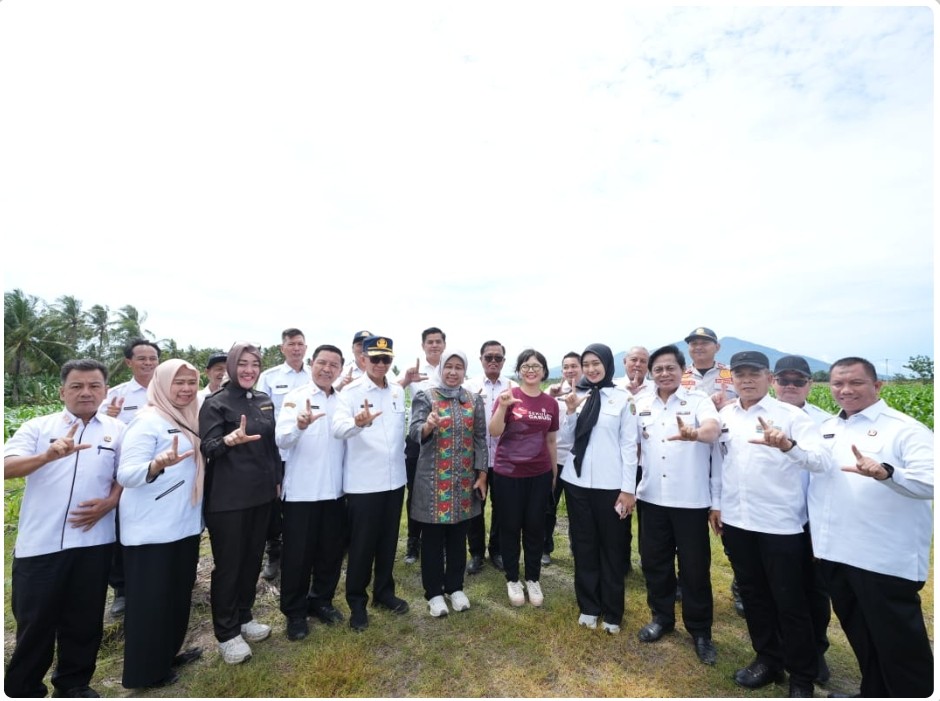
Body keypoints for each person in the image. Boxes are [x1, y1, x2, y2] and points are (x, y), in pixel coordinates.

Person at [808, 357, 933, 698]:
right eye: (837, 384)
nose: (845, 390)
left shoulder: (905, 429)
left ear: (878, 386)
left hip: (882, 558)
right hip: (836, 552)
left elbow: (930, 482)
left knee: (900, 647)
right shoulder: (827, 428)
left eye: (856, 383)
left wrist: (888, 473)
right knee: (861, 636)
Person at [711, 351, 832, 697]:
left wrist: (787, 445)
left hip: (781, 525)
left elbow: (820, 461)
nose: (746, 380)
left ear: (768, 378)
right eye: (740, 374)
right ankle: (767, 659)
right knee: (753, 595)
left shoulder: (791, 417)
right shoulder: (726, 416)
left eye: (754, 374)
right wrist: (716, 504)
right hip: (736, 520)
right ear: (731, 379)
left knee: (790, 601)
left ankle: (802, 676)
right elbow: (720, 463)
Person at [4, 359, 124, 698]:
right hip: (40, 545)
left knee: (84, 621)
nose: (86, 392)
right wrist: (46, 456)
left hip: (95, 540)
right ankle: (23, 689)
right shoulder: (38, 427)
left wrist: (111, 501)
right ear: (62, 391)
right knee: (35, 624)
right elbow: (7, 467)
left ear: (104, 390)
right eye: (77, 386)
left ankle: (73, 685)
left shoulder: (117, 430)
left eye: (94, 386)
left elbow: (124, 475)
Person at [116, 359, 204, 689]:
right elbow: (126, 474)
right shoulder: (147, 421)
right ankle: (144, 672)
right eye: (177, 382)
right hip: (151, 530)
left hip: (183, 525)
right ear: (162, 384)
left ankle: (168, 653)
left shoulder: (189, 417)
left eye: (191, 382)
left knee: (176, 596)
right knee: (150, 603)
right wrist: (155, 465)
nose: (185, 389)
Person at [634, 344, 719, 664]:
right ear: (650, 373)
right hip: (652, 496)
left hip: (690, 499)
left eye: (670, 368)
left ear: (682, 370)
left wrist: (695, 433)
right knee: (655, 562)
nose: (664, 374)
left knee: (695, 569)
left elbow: (713, 429)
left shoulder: (698, 400)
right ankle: (662, 618)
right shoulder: (641, 402)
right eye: (658, 369)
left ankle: (700, 631)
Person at [199, 342, 281, 665]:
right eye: (243, 364)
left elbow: (272, 447)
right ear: (232, 367)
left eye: (255, 364)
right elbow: (208, 447)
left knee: (251, 561)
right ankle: (227, 632)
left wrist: (277, 479)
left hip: (261, 496)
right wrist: (228, 440)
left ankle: (245, 616)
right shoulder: (215, 404)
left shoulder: (263, 401)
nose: (249, 370)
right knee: (229, 566)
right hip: (228, 500)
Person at [332, 335, 410, 632]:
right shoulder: (350, 393)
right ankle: (356, 602)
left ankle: (383, 592)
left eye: (386, 359)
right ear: (363, 359)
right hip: (365, 483)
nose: (380, 364)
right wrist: (358, 423)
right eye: (375, 358)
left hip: (394, 480)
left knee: (388, 541)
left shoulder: (396, 391)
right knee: (362, 545)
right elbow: (338, 428)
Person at [559, 344, 638, 634]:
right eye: (586, 364)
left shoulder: (622, 399)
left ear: (607, 364)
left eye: (596, 363)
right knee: (584, 544)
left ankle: (613, 611)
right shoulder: (576, 395)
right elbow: (567, 439)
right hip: (577, 483)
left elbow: (630, 447)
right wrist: (569, 412)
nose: (591, 369)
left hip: (611, 486)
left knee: (613, 548)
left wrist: (628, 490)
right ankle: (589, 606)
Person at [274, 344, 348, 641]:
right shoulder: (295, 397)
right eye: (322, 363)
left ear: (340, 369)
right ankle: (294, 612)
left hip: (334, 492)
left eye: (333, 365)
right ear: (311, 364)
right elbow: (281, 439)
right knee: (297, 557)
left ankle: (322, 601)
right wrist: (300, 426)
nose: (327, 369)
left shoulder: (343, 401)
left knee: (330, 553)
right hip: (302, 493)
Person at [408, 350, 488, 616]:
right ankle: (433, 593)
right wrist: (429, 426)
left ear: (464, 371)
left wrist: (482, 473)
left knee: (458, 536)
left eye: (458, 367)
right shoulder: (426, 396)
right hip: (433, 481)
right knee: (432, 539)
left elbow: (479, 439)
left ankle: (455, 587)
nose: (453, 372)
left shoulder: (473, 400)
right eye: (448, 367)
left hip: (463, 481)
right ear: (441, 369)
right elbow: (414, 432)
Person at [772, 354, 833, 685]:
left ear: (810, 384)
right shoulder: (757, 415)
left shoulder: (826, 422)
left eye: (799, 381)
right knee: (777, 587)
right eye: (784, 380)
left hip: (813, 516)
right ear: (773, 382)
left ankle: (816, 650)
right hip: (775, 515)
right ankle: (778, 649)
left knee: (813, 588)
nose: (790, 386)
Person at [489, 349, 559, 608]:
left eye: (536, 365)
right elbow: (494, 432)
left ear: (544, 371)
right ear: (519, 370)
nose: (531, 370)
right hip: (508, 473)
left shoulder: (550, 403)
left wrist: (553, 473)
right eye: (526, 366)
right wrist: (503, 407)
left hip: (539, 474)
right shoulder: (508, 396)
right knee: (509, 526)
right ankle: (512, 578)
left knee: (534, 527)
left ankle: (532, 578)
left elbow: (551, 440)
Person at [98, 338, 161, 617]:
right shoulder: (116, 396)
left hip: (165, 471)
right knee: (121, 527)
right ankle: (122, 589)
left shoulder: (170, 391)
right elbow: (97, 429)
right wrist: (109, 416)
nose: (148, 363)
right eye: (142, 358)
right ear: (129, 362)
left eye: (152, 358)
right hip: (124, 474)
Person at [257, 328, 310, 581]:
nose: (296, 348)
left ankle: (300, 553)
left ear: (306, 347)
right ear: (282, 348)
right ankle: (274, 553)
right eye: (291, 344)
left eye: (300, 344)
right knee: (275, 505)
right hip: (279, 452)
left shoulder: (316, 375)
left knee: (302, 506)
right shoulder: (270, 377)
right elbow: (261, 415)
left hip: (310, 454)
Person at [463, 340, 517, 574]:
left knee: (503, 508)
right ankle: (476, 552)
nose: (493, 361)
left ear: (504, 361)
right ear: (481, 359)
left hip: (505, 458)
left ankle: (497, 550)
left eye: (498, 357)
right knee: (475, 506)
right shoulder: (469, 387)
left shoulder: (514, 387)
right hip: (476, 459)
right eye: (488, 357)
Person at [400, 326, 447, 565]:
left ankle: (440, 540)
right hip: (417, 437)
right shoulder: (414, 371)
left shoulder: (451, 367)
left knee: (442, 487)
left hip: (445, 438)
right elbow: (391, 392)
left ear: (444, 345)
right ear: (423, 345)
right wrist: (407, 380)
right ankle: (413, 541)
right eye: (430, 342)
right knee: (415, 490)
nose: (434, 345)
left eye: (438, 341)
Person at [542, 351, 583, 566]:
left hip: (577, 461)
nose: (570, 370)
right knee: (549, 506)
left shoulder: (590, 392)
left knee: (577, 509)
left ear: (582, 368)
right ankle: (545, 548)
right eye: (566, 366)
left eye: (574, 366)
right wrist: (550, 396)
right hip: (555, 457)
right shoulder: (553, 392)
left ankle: (578, 548)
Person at [680, 327, 735, 409]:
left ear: (717, 347)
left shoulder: (734, 373)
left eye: (704, 343)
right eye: (694, 344)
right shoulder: (679, 375)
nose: (698, 347)